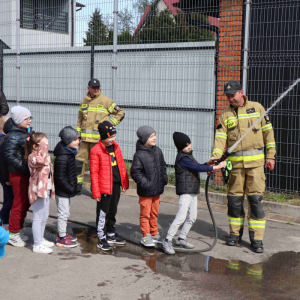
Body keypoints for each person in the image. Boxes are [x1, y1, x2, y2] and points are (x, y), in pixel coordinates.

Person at [210, 80, 276, 253]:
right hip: (235, 167)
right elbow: (220, 139)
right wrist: (216, 157)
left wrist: (271, 156)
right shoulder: (225, 115)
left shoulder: (257, 108)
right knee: (234, 202)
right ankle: (234, 235)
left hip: (256, 166)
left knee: (255, 201)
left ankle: (257, 239)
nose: (230, 98)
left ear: (241, 92)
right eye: (227, 96)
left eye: (232, 95)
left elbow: (268, 133)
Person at [161, 132, 226, 255]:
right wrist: (216, 168)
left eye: (189, 143)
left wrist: (207, 164)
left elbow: (197, 166)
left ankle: (181, 239)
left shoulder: (189, 156)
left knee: (192, 217)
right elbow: (197, 168)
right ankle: (167, 240)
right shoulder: (183, 158)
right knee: (181, 217)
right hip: (186, 192)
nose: (189, 146)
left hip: (192, 191)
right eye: (186, 146)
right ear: (181, 148)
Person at [75, 78, 125, 194]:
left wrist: (109, 125)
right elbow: (79, 120)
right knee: (79, 163)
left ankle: (96, 190)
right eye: (93, 87)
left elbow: (121, 113)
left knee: (97, 166)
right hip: (84, 141)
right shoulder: (84, 101)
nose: (96, 89)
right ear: (88, 88)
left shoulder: (106, 101)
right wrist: (78, 135)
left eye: (97, 87)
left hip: (98, 141)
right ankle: (77, 187)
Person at [90, 121, 129, 251]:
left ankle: (111, 234)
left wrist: (124, 183)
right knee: (103, 212)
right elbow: (94, 173)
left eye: (114, 136)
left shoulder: (116, 148)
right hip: (104, 187)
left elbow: (122, 166)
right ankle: (101, 237)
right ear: (102, 137)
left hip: (116, 185)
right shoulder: (96, 151)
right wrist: (96, 192)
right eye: (110, 137)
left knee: (113, 210)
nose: (113, 139)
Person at [130, 126, 168, 248]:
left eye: (154, 135)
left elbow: (163, 166)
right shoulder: (139, 154)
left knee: (154, 212)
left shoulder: (158, 151)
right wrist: (146, 184)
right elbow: (135, 172)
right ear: (144, 138)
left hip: (157, 190)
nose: (154, 138)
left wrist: (164, 179)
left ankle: (154, 232)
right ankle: (146, 235)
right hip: (146, 191)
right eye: (151, 136)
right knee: (145, 213)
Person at [3, 106, 32, 247]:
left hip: (25, 174)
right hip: (18, 175)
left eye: (30, 118)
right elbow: (9, 156)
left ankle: (18, 230)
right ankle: (13, 233)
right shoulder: (13, 136)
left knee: (25, 202)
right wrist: (24, 168)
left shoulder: (23, 132)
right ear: (19, 120)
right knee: (19, 203)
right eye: (27, 118)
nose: (30, 120)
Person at [26, 132, 55, 254]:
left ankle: (40, 238)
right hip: (37, 191)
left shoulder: (45, 155)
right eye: (44, 144)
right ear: (35, 146)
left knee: (45, 216)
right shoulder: (33, 157)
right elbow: (41, 161)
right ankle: (37, 245)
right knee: (38, 217)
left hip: (46, 190)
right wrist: (43, 150)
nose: (47, 147)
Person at [54, 126, 80, 248]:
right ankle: (62, 238)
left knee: (65, 212)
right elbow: (60, 177)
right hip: (63, 191)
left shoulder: (69, 153)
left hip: (66, 190)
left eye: (78, 139)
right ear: (67, 141)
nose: (78, 142)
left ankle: (63, 234)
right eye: (75, 139)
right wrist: (70, 188)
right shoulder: (63, 157)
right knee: (63, 213)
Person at [0, 116, 14, 230]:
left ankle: (5, 222)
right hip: (4, 174)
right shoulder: (4, 140)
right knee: (11, 200)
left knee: (7, 198)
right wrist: (7, 178)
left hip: (3, 173)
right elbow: (3, 162)